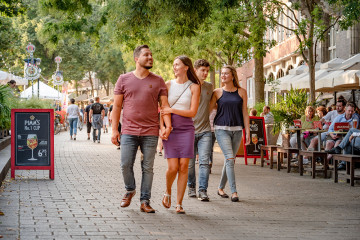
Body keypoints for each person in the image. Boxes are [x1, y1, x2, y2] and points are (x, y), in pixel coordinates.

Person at [111, 45, 171, 213]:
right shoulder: (123, 79)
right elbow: (116, 106)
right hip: (129, 130)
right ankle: (130, 189)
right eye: (146, 55)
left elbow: (165, 106)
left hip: (151, 131)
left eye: (151, 55)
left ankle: (145, 201)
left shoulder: (158, 80)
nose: (150, 57)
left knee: (147, 167)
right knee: (125, 164)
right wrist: (115, 130)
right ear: (136, 59)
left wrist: (167, 126)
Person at [160, 55, 200, 214]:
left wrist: (172, 110)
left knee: (184, 167)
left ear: (186, 67)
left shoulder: (194, 87)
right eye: (173, 64)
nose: (174, 67)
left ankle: (179, 203)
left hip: (187, 129)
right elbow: (163, 108)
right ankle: (167, 191)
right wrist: (163, 126)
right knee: (172, 167)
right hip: (171, 128)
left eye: (177, 64)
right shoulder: (167, 84)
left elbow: (193, 112)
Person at [210, 65, 250, 202]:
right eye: (221, 73)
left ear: (233, 75)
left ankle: (220, 188)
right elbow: (208, 109)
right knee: (230, 159)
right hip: (221, 129)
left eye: (226, 73)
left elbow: (245, 112)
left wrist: (248, 131)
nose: (223, 76)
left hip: (237, 129)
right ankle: (234, 192)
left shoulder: (242, 92)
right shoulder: (217, 92)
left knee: (230, 160)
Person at [186, 59, 213, 201]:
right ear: (195, 70)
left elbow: (213, 104)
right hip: (189, 131)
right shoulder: (187, 86)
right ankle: (191, 187)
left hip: (205, 131)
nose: (205, 73)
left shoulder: (209, 87)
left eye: (207, 71)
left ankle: (203, 190)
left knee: (204, 162)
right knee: (190, 164)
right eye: (203, 70)